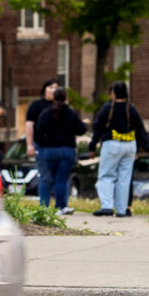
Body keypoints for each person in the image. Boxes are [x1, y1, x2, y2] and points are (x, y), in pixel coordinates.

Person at [89, 81, 149, 217]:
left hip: (112, 144)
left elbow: (98, 128)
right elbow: (140, 129)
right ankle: (122, 210)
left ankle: (107, 206)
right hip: (130, 145)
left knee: (106, 175)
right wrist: (146, 146)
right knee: (124, 178)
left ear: (114, 93)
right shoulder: (131, 108)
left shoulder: (107, 108)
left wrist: (92, 146)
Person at [34, 87, 87, 215]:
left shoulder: (45, 114)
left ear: (54, 98)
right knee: (61, 179)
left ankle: (45, 206)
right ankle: (60, 206)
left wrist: (45, 145)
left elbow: (38, 134)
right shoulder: (71, 113)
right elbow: (81, 130)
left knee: (50, 179)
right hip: (67, 150)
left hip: (50, 151)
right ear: (66, 98)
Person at [24, 79, 59, 160]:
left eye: (56, 88)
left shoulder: (61, 106)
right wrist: (29, 145)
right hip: (41, 144)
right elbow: (29, 125)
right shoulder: (36, 105)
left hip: (58, 146)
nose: (54, 90)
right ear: (44, 90)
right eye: (51, 87)